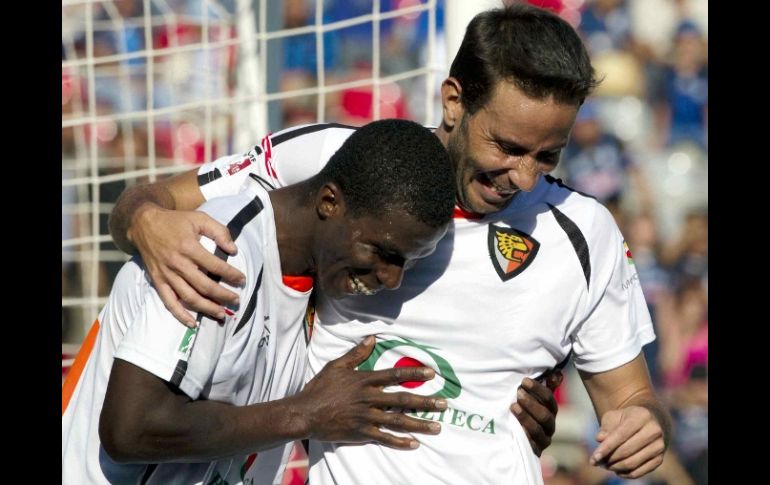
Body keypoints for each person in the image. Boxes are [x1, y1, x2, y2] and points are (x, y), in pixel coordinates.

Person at [108, 4, 670, 483]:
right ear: (454, 101)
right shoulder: (341, 160)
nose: (523, 177)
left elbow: (631, 401)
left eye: (547, 155)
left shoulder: (585, 231)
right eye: (508, 146)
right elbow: (152, 201)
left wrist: (644, 427)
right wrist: (146, 223)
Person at [62, 120, 458, 484]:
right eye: (384, 253)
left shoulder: (319, 286)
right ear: (329, 202)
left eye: (408, 262)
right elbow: (130, 429)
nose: (392, 279)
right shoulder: (219, 252)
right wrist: (307, 414)